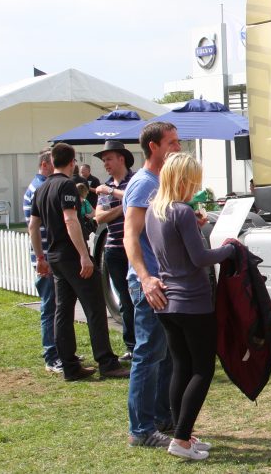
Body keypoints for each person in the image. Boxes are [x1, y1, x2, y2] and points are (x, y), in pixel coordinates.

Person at [146, 153, 234, 460]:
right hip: (192, 301)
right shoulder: (181, 211)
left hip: (167, 303)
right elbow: (199, 259)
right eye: (194, 180)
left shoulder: (154, 211)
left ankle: (183, 433)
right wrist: (229, 249)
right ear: (183, 180)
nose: (196, 186)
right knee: (202, 369)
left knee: (181, 367)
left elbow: (175, 249)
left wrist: (194, 228)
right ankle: (181, 439)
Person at [28, 142, 129, 382]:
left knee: (62, 311)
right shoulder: (67, 185)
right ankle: (107, 362)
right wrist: (84, 255)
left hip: (54, 256)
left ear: (52, 161)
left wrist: (40, 256)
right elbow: (70, 220)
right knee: (94, 308)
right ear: (72, 162)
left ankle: (70, 365)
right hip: (71, 254)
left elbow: (33, 226)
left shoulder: (41, 189)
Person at [122, 121, 182, 448]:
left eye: (178, 141)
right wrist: (145, 279)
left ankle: (161, 417)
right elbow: (130, 235)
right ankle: (141, 430)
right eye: (172, 143)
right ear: (153, 147)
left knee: (167, 354)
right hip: (151, 285)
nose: (178, 147)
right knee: (149, 353)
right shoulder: (144, 184)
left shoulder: (161, 182)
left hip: (166, 282)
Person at [94, 140, 137, 361]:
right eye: (103, 161)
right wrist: (126, 207)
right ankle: (131, 345)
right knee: (124, 299)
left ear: (122, 158)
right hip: (113, 248)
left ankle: (146, 341)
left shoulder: (135, 180)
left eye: (108, 159)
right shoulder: (105, 185)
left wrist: (115, 195)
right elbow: (98, 216)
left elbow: (138, 199)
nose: (106, 164)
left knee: (140, 295)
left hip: (135, 247)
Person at [23, 150, 60, 373]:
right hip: (45, 256)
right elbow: (33, 227)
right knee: (49, 307)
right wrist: (40, 258)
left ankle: (59, 350)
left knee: (55, 306)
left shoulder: (39, 185)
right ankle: (51, 355)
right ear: (45, 165)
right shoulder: (39, 188)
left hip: (46, 255)